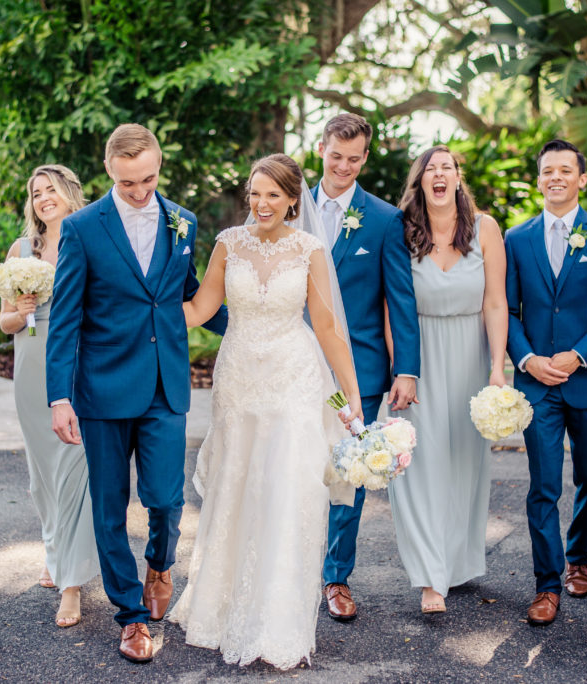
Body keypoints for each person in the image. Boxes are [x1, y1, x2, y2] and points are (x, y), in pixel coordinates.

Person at [168, 153, 361, 669]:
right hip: (237, 384)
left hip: (292, 381)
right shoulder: (229, 243)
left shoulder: (309, 249)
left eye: (273, 194)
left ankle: (279, 622)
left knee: (284, 492)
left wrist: (352, 399)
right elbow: (201, 308)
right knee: (236, 486)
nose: (261, 203)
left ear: (293, 199)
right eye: (255, 193)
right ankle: (220, 610)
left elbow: (326, 328)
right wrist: (143, 320)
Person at [46, 124, 227, 664]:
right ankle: (130, 616)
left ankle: (160, 563)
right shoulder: (82, 228)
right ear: (110, 172)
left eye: (149, 178)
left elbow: (190, 292)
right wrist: (60, 396)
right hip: (101, 388)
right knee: (108, 509)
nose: (142, 191)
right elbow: (65, 318)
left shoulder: (183, 221)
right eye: (129, 184)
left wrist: (254, 320)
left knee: (167, 499)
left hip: (164, 384)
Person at [504, 139, 587, 626]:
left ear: (582, 179)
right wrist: (528, 358)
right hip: (537, 385)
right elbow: (508, 311)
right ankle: (548, 584)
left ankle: (579, 557)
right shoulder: (518, 238)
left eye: (565, 170)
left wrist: (580, 354)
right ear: (538, 180)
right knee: (543, 486)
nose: (555, 177)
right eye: (546, 171)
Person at [388, 145, 508, 614]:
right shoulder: (400, 231)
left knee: (463, 464)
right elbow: (390, 305)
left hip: (470, 357)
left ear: (458, 178)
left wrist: (497, 368)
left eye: (447, 169)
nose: (439, 176)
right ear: (419, 183)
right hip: (419, 356)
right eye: (429, 170)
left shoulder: (485, 229)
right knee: (418, 466)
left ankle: (454, 563)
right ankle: (429, 578)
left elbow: (495, 302)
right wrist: (404, 368)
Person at [312, 113, 420, 621]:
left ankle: (336, 577)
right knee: (291, 465)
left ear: (365, 158)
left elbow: (400, 299)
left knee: (348, 474)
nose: (344, 167)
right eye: (337, 156)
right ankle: (286, 568)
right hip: (295, 363)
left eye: (355, 160)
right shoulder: (288, 207)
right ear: (321, 149)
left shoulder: (382, 219)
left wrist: (407, 369)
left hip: (359, 368)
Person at [0, 164, 100, 627]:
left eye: (50, 189)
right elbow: (4, 324)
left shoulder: (92, 239)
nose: (43, 198)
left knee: (73, 471)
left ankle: (72, 586)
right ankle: (56, 551)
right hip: (30, 369)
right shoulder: (22, 250)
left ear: (69, 193)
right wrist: (20, 310)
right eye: (36, 193)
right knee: (42, 477)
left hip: (78, 368)